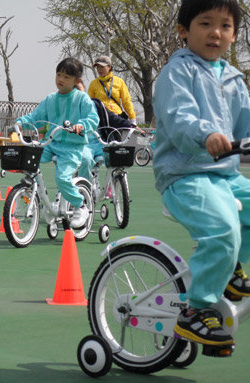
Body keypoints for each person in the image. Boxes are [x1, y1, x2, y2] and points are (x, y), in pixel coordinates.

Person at [153, 0, 250, 347]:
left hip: (224, 175)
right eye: (205, 23)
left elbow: (246, 124)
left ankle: (230, 272)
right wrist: (206, 135)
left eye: (225, 26)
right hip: (185, 174)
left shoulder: (235, 79)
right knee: (223, 229)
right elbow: (179, 116)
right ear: (183, 31)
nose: (216, 32)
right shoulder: (178, 72)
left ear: (234, 36)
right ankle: (196, 311)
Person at [14, 57, 99, 228]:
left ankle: (80, 205)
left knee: (62, 178)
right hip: (50, 144)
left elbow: (93, 118)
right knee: (28, 161)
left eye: (66, 77)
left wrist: (82, 125)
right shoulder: (50, 99)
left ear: (77, 81)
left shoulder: (82, 98)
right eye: (58, 75)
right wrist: (20, 122)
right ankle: (44, 200)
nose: (60, 79)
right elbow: (35, 116)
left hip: (72, 147)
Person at [87, 56, 137, 126]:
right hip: (101, 118)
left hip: (117, 117)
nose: (99, 69)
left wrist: (132, 119)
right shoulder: (93, 83)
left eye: (102, 67)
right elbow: (89, 104)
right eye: (98, 67)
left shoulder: (119, 82)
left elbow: (126, 101)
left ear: (109, 67)